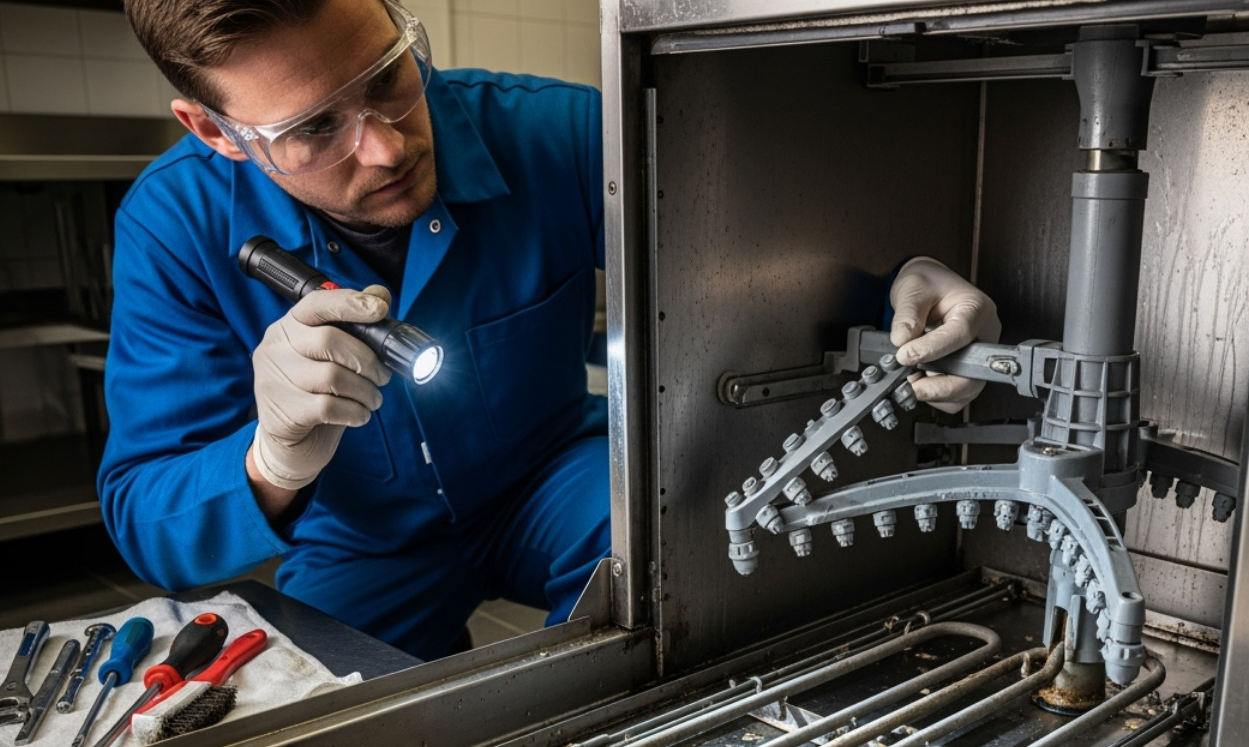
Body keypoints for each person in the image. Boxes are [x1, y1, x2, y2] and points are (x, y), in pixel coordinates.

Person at [100, 0, 996, 660]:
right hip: (358, 536)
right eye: (313, 130)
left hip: (554, 482)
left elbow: (763, 242)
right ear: (215, 131)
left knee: (678, 573)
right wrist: (274, 460)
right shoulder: (172, 226)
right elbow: (143, 516)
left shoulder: (554, 135)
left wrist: (896, 287)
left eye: (384, 79)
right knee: (330, 740)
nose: (385, 146)